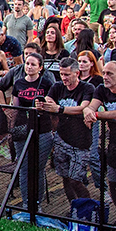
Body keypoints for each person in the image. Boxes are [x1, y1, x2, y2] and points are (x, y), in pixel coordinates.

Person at [40, 57, 93, 203]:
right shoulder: (58, 86)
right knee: (65, 177)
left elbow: (83, 107)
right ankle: (73, 207)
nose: (64, 78)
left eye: (67, 74)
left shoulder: (87, 88)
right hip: (61, 138)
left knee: (76, 179)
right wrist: (45, 103)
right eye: (62, 74)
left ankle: (87, 209)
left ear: (77, 73)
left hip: (80, 141)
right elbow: (48, 99)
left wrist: (60, 109)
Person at [6, 52, 54, 210]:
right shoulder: (19, 83)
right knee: (24, 167)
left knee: (38, 168)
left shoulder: (46, 84)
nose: (29, 67)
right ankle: (26, 203)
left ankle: (37, 203)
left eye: (33, 64)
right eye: (27, 63)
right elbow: (15, 107)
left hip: (43, 129)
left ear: (40, 67)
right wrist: (11, 129)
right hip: (22, 129)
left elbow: (52, 105)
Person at [84, 61, 116, 230]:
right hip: (115, 144)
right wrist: (88, 112)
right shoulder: (101, 89)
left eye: (110, 74)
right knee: (114, 183)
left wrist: (96, 114)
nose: (105, 77)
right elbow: (90, 107)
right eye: (104, 73)